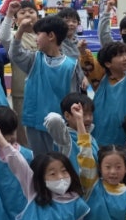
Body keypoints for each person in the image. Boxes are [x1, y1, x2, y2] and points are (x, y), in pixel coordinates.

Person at [8, 15, 84, 156]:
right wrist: (20, 30)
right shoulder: (34, 59)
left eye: (38, 34)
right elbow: (15, 54)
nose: (35, 38)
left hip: (59, 125)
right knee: (40, 161)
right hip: (34, 122)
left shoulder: (71, 65)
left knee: (59, 160)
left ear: (51, 36)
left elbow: (73, 97)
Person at [79, 40, 126, 146]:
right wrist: (83, 52)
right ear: (108, 63)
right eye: (120, 55)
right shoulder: (99, 79)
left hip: (121, 138)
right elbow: (89, 65)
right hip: (97, 135)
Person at [0, 0, 40, 147]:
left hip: (43, 90)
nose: (27, 14)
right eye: (22, 13)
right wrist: (9, 13)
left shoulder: (44, 36)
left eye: (31, 12)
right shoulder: (14, 36)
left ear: (38, 17)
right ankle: (27, 156)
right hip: (21, 92)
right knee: (24, 132)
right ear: (16, 20)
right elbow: (3, 37)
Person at [43, 92, 98, 174]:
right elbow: (53, 120)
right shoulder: (66, 139)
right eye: (83, 114)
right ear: (67, 116)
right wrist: (79, 119)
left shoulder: (90, 136)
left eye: (90, 114)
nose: (88, 119)